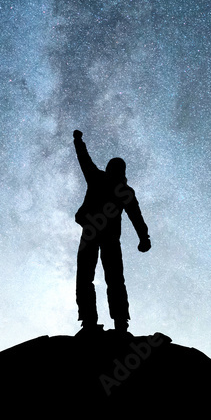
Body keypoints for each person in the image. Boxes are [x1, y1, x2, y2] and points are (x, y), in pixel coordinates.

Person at [72, 129, 151, 336]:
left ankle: (101, 322)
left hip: (96, 234)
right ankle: (112, 323)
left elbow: (136, 216)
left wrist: (79, 141)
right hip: (102, 236)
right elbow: (137, 217)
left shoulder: (103, 181)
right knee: (108, 279)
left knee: (96, 278)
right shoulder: (120, 188)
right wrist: (143, 238)